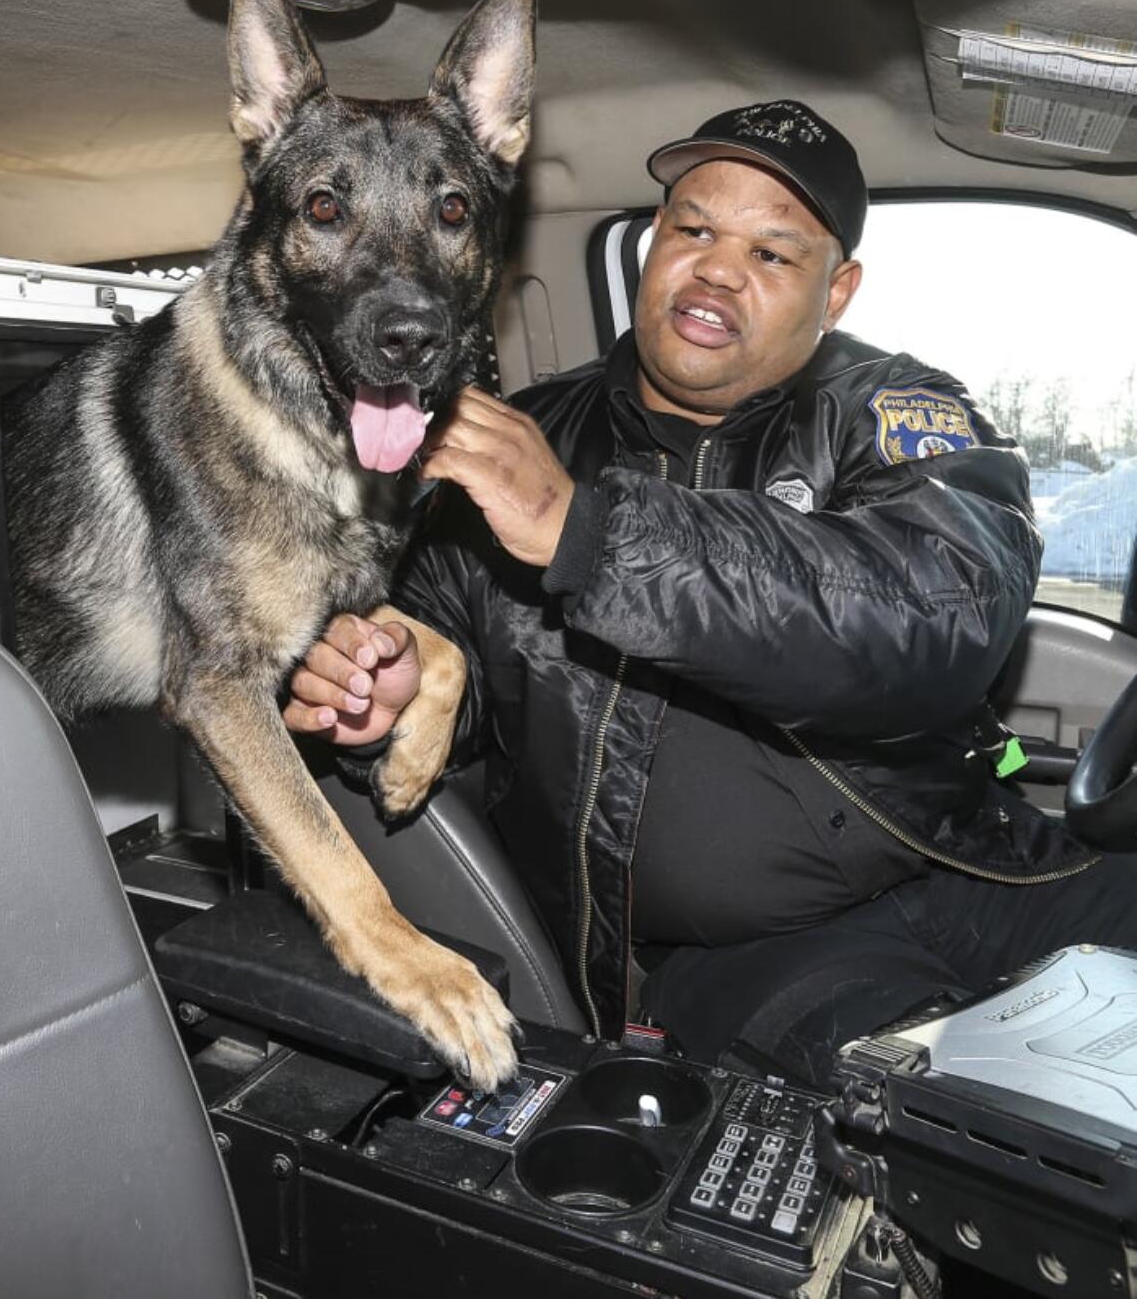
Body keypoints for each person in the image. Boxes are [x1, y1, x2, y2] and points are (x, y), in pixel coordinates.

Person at [284, 100, 1137, 1088]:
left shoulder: (893, 409)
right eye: (691, 229)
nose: (719, 267)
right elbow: (447, 673)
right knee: (987, 1124)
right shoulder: (509, 443)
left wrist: (587, 533)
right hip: (742, 960)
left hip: (973, 867)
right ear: (652, 246)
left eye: (773, 254)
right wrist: (381, 694)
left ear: (837, 290)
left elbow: (937, 610)